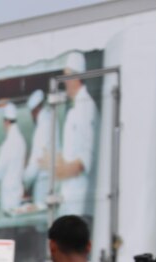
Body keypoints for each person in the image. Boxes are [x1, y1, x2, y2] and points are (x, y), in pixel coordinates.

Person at [55, 52, 96, 217]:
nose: (65, 83)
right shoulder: (76, 108)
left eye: (67, 77)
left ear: (76, 77)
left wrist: (60, 171)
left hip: (79, 200)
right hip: (70, 197)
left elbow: (85, 161)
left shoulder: (87, 107)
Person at [0, 103, 26, 212]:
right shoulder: (21, 141)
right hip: (18, 193)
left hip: (8, 196)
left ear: (6, 122)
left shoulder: (9, 143)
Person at [23, 89, 57, 206]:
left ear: (35, 111)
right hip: (54, 180)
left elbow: (36, 162)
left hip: (44, 184)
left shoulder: (42, 127)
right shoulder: (52, 119)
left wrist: (24, 182)